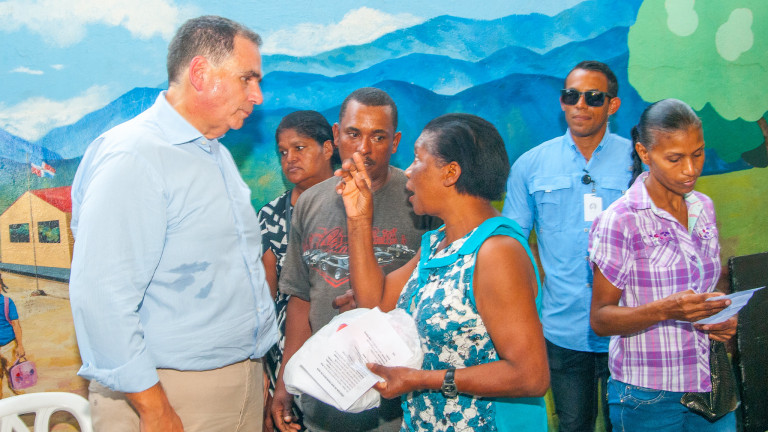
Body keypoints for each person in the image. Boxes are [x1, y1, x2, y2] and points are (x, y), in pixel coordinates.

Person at [69, 16, 277, 432]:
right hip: (171, 397)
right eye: (247, 79)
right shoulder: (135, 156)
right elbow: (101, 295)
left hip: (236, 385)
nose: (257, 95)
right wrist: (154, 408)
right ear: (200, 73)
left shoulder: (212, 154)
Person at [336, 113, 549, 430]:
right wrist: (358, 217)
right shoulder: (437, 244)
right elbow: (375, 302)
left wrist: (420, 380)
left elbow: (530, 376)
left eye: (417, 159)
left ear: (451, 173)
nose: (407, 171)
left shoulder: (496, 252)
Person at [272, 87, 435, 432]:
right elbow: (301, 299)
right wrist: (287, 379)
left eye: (379, 136)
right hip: (325, 393)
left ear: (395, 142)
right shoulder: (311, 203)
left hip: (396, 398)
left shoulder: (421, 201)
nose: (364, 148)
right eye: (353, 134)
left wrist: (377, 306)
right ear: (335, 135)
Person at [589, 99, 737, 431]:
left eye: (697, 153)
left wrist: (723, 319)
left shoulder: (703, 207)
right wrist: (665, 310)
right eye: (675, 158)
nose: (690, 169)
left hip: (709, 380)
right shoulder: (620, 220)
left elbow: (707, 289)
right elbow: (600, 318)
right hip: (647, 394)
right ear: (644, 153)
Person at [502, 60, 632, 432]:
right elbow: (512, 246)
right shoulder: (531, 165)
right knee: (573, 425)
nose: (580, 105)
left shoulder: (637, 162)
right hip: (562, 329)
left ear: (612, 105)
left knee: (627, 424)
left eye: (593, 97)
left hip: (627, 328)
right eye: (571, 96)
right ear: (562, 101)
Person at [258, 110, 339, 430]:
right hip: (286, 358)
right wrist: (269, 377)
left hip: (344, 348)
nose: (289, 158)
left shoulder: (356, 202)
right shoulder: (271, 216)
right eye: (282, 152)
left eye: (300, 148)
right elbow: (266, 300)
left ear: (328, 148)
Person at [0, 292, 25, 398]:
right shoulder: (7, 302)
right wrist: (20, 345)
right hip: (9, 345)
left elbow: (16, 325)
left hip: (8, 345)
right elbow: (15, 324)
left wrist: (20, 345)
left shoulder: (6, 302)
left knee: (12, 378)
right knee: (15, 378)